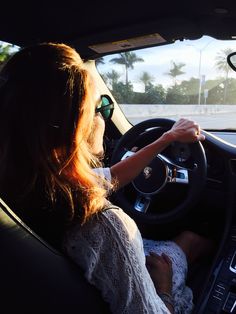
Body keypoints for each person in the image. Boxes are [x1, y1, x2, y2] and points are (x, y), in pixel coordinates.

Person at [0, 43, 213, 314]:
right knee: (190, 241)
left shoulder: (34, 183)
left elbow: (111, 175)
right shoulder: (103, 225)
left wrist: (166, 139)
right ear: (79, 124)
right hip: (156, 297)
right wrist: (164, 288)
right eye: (100, 107)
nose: (103, 115)